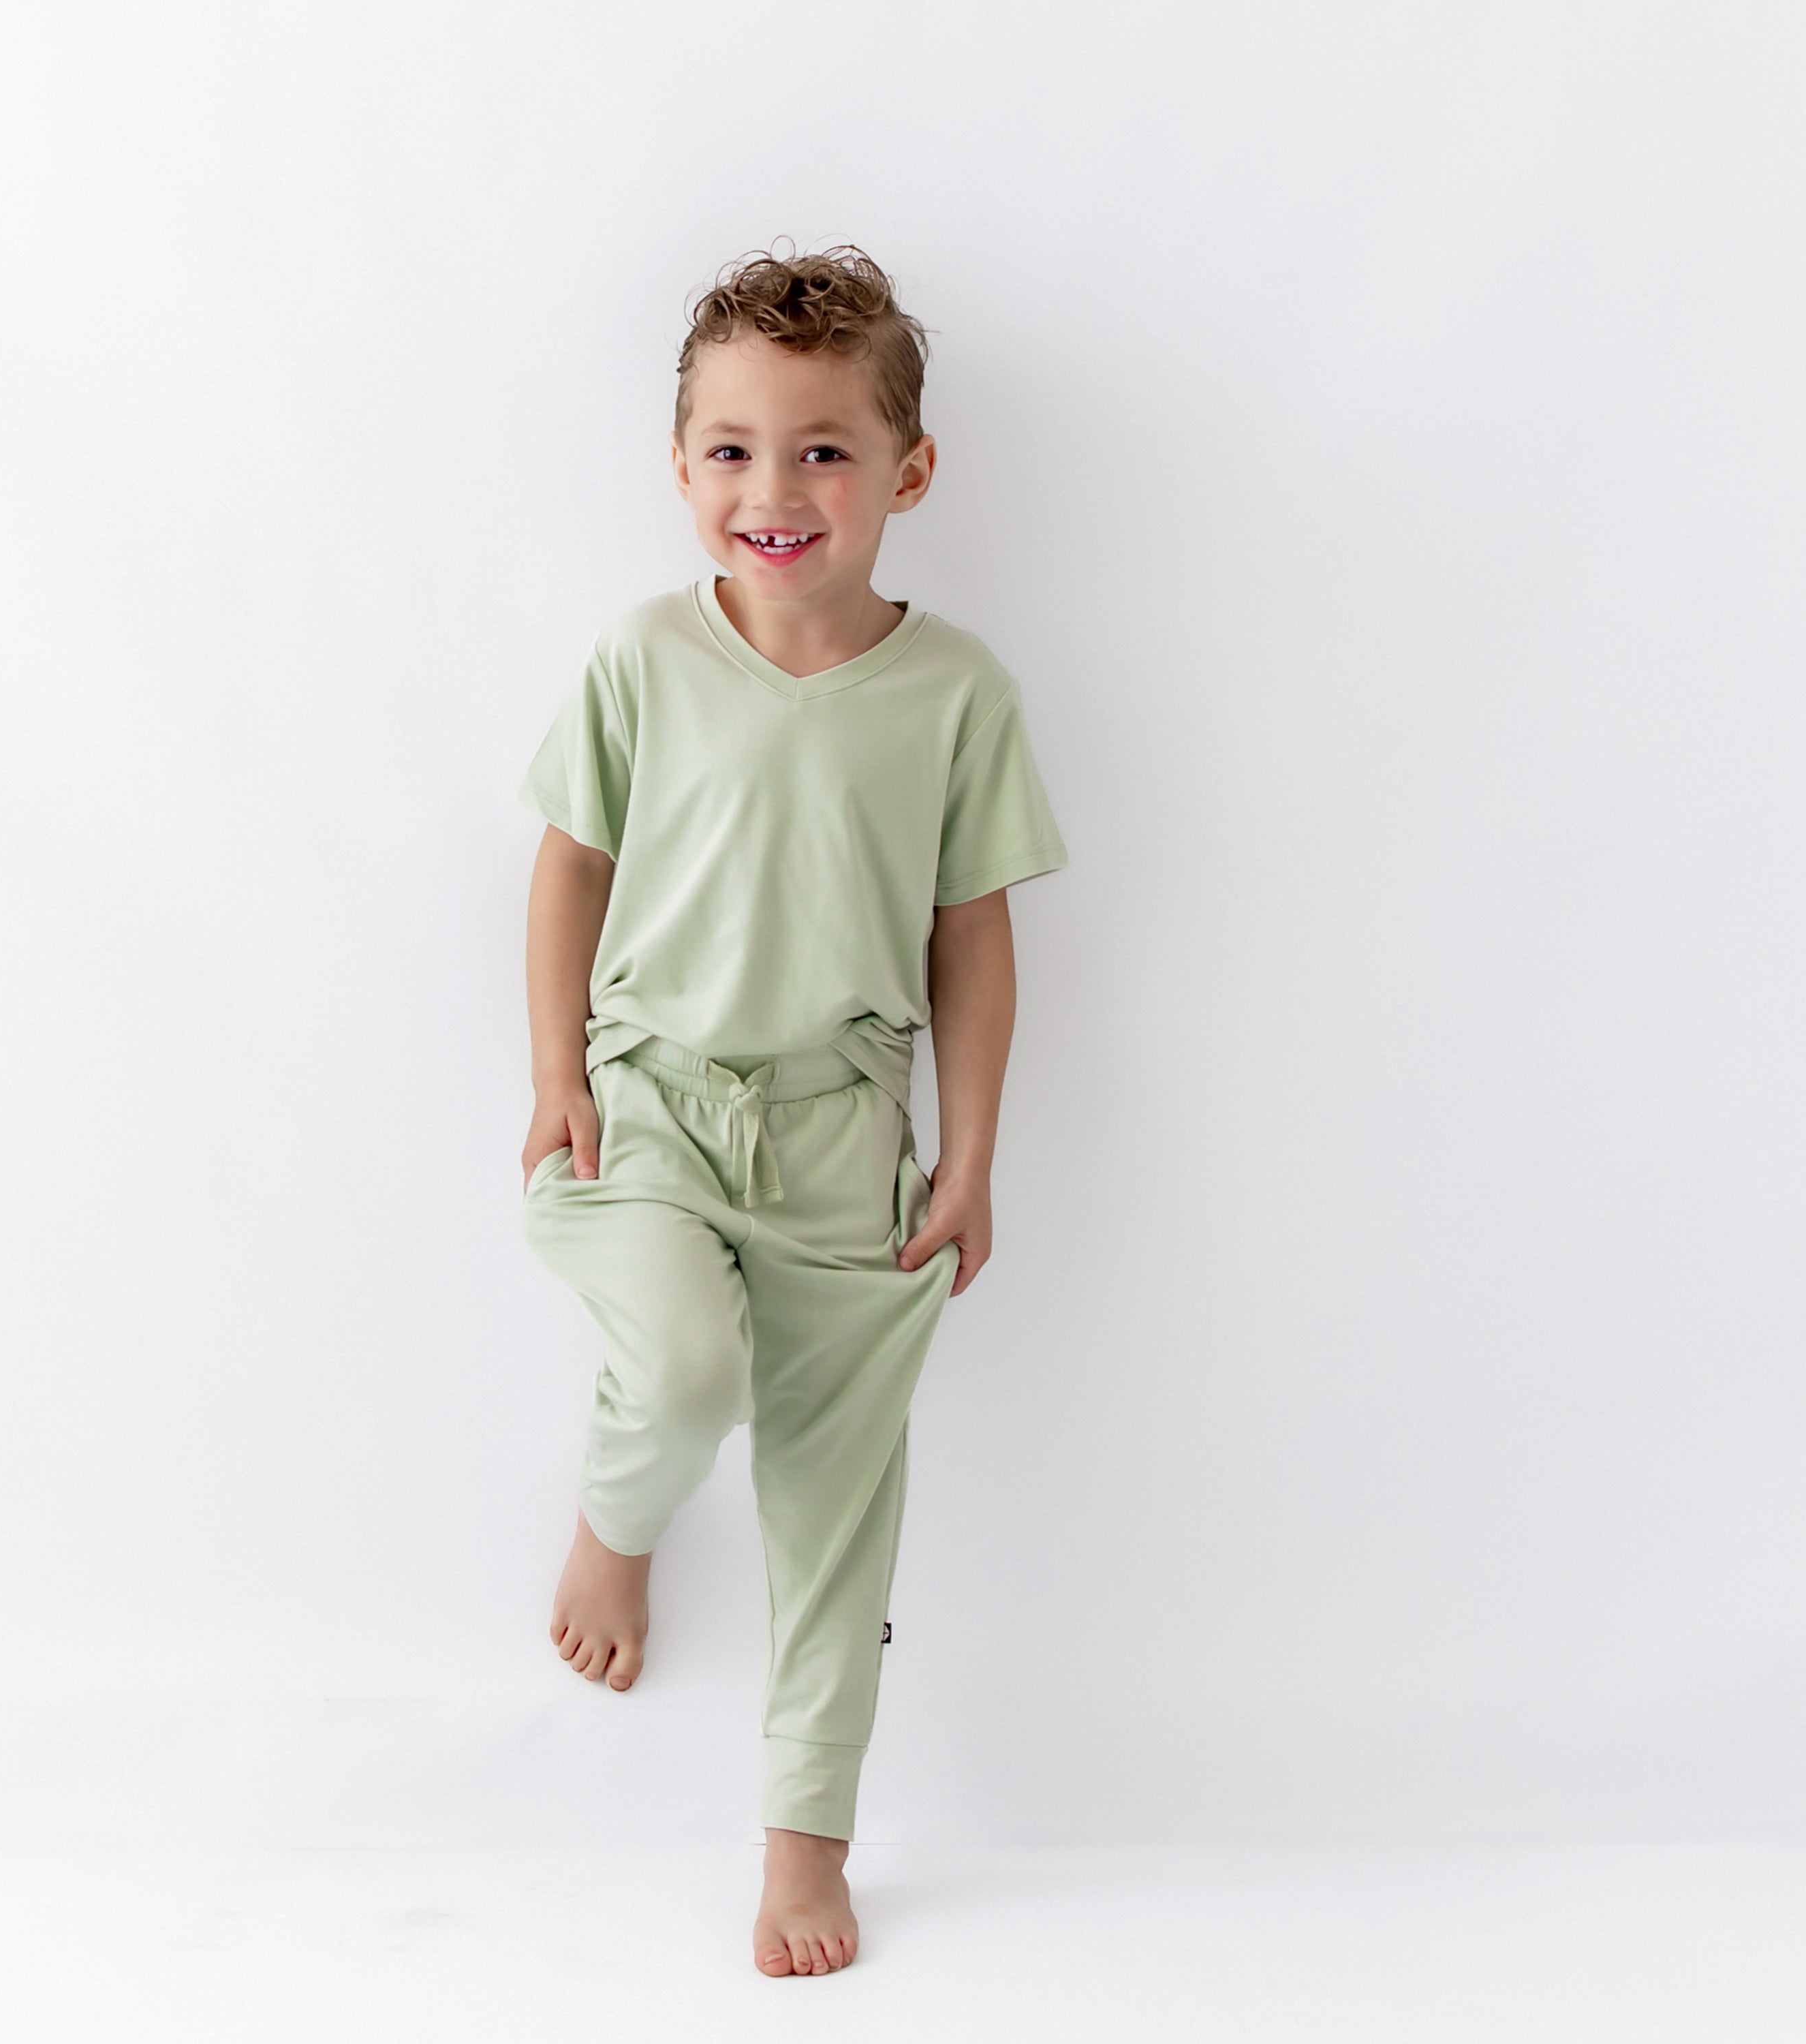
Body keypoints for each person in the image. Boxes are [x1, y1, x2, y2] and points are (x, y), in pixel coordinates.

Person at [514, 244, 1068, 1977]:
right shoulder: (641, 663)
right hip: (656, 1110)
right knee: (678, 1365)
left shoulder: (957, 691)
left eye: (824, 449)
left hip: (850, 1143)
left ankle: (805, 1843)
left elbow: (970, 935)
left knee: (841, 1503)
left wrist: (970, 1149)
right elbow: (570, 864)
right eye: (735, 449)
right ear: (683, 467)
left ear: (908, 473)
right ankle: (618, 1526)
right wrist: (554, 1075)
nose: (777, 489)